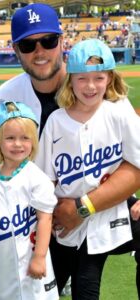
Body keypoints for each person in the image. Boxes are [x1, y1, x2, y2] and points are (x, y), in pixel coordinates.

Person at [0, 2, 140, 295]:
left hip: (103, 202)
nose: (39, 52)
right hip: (44, 214)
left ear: (62, 41)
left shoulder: (109, 98)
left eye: (47, 41)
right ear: (15, 49)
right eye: (28, 44)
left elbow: (134, 165)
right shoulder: (5, 97)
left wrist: (82, 208)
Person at [36, 38, 140, 299]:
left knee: (85, 283)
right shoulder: (56, 121)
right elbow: (44, 179)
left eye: (98, 77)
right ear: (70, 79)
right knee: (69, 287)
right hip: (69, 222)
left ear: (110, 78)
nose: (90, 86)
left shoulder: (118, 110)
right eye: (82, 78)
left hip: (112, 210)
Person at [0, 101, 59, 299]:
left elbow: (45, 219)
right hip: (0, 262)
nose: (18, 144)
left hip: (30, 259)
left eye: (25, 138)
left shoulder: (36, 177)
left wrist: (39, 257)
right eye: (10, 138)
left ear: (33, 141)